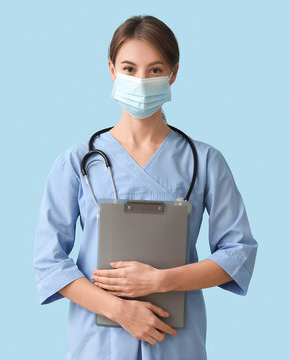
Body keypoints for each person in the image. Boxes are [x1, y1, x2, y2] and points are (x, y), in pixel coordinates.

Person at [33, 15, 258, 360]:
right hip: (98, 344)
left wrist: (159, 282)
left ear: (174, 73)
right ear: (111, 70)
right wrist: (120, 310)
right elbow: (50, 263)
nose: (140, 80)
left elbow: (237, 252)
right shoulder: (77, 162)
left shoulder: (205, 161)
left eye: (154, 70)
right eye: (129, 68)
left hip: (176, 341)